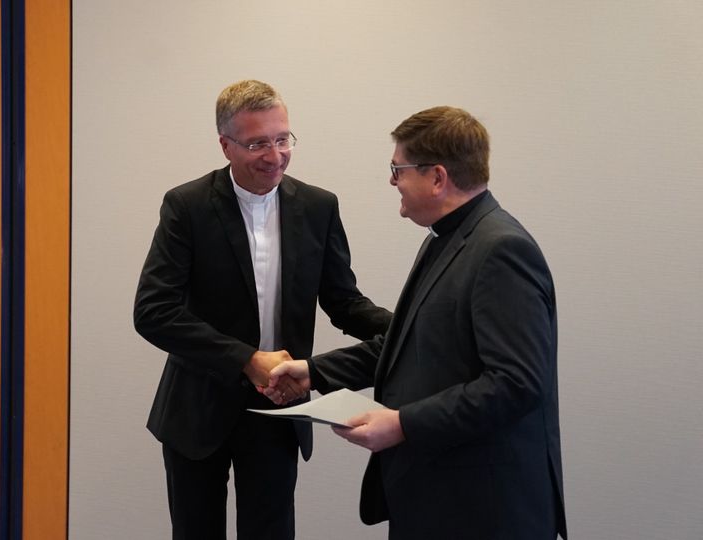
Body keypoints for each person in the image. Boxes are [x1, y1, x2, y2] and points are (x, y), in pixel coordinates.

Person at [266, 106, 567, 539]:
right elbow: (406, 343)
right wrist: (313, 372)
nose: (392, 181)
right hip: (437, 493)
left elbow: (515, 384)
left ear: (438, 177)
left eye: (398, 169)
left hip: (483, 508)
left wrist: (403, 424)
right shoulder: (446, 240)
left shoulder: (501, 251)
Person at [133, 80, 391, 539]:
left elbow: (344, 302)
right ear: (225, 145)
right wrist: (245, 360)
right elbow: (153, 310)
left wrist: (411, 324)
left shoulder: (318, 206)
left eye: (282, 139)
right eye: (257, 144)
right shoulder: (186, 206)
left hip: (278, 409)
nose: (274, 156)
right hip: (197, 409)